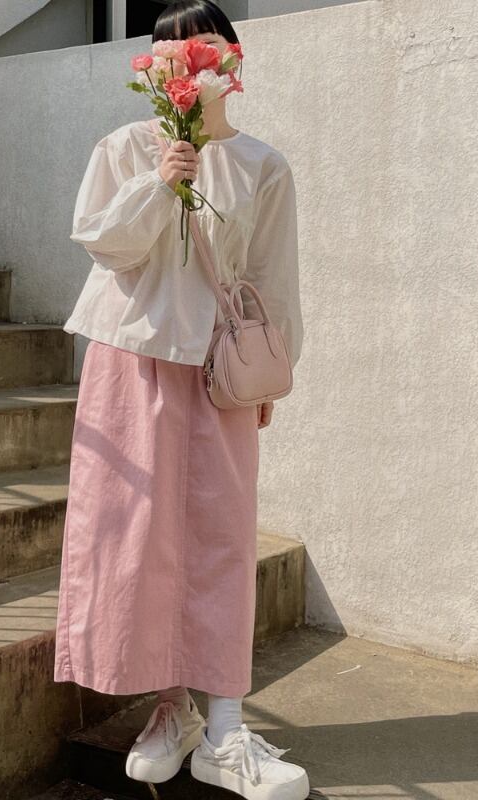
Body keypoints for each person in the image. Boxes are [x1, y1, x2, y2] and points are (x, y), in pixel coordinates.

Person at [52, 2, 307, 799]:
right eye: (167, 50)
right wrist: (163, 180)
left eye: (199, 46)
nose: (184, 60)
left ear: (232, 59)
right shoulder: (125, 148)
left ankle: (226, 726)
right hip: (129, 362)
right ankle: (173, 708)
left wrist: (275, 372)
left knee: (223, 537)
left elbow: (271, 278)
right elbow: (105, 244)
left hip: (217, 370)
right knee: (137, 541)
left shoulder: (262, 165)